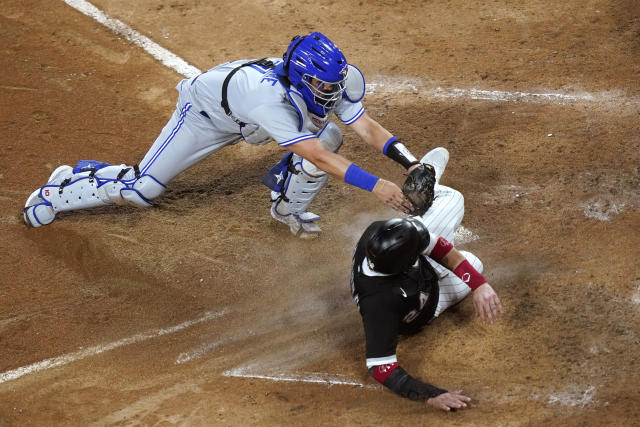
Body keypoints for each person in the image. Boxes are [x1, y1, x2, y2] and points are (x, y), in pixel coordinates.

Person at [23, 32, 424, 238]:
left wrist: (411, 162)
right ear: (303, 78)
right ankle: (58, 191)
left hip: (251, 124)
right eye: (322, 86)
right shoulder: (267, 99)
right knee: (141, 190)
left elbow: (366, 125)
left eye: (334, 83)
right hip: (205, 116)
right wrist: (378, 186)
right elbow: (317, 156)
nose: (333, 92)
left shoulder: (331, 81)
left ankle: (287, 206)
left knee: (332, 134)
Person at [350, 147, 504, 411]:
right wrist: (430, 395)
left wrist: (480, 285)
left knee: (454, 199)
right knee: (475, 261)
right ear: (405, 264)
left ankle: (425, 181)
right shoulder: (379, 303)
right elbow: (380, 368)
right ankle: (426, 199)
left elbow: (441, 250)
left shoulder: (380, 233)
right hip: (428, 303)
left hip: (415, 271)